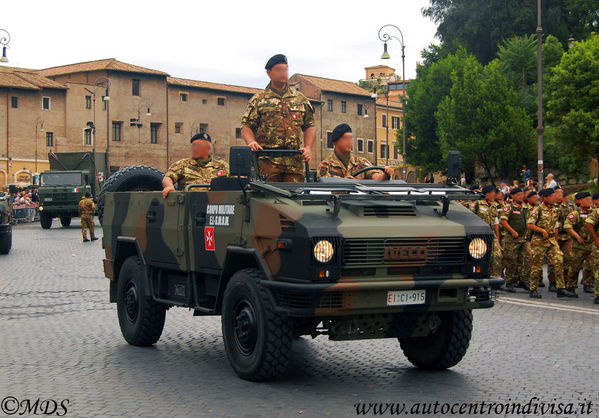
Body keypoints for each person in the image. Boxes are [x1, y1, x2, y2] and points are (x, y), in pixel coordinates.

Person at [241, 54, 315, 182]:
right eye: (279, 70)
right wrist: (251, 142)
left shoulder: (300, 99)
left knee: (295, 197)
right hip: (268, 160)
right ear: (269, 73)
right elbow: (246, 126)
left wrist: (308, 147)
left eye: (285, 69)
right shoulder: (259, 100)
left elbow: (309, 125)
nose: (283, 73)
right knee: (269, 198)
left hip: (294, 160)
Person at [526, 188, 576, 298]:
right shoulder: (537, 209)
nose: (554, 198)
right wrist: (542, 230)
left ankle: (560, 288)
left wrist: (556, 239)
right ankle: (533, 289)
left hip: (552, 241)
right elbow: (530, 225)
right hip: (539, 242)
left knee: (559, 261)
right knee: (537, 266)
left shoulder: (555, 210)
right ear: (544, 198)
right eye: (552, 196)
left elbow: (556, 225)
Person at [162, 133, 229, 198]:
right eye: (193, 146)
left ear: (208, 148)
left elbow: (236, 180)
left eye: (199, 146)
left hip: (216, 204)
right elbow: (168, 178)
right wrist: (169, 186)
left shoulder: (222, 166)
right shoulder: (183, 164)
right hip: (191, 204)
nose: (195, 149)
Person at [318, 123, 393, 180]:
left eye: (350, 138)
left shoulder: (360, 162)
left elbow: (375, 177)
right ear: (335, 142)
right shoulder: (326, 165)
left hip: (359, 199)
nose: (349, 142)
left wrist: (385, 174)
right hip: (336, 200)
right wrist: (343, 183)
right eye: (345, 138)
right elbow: (325, 185)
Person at [563, 192, 594, 296]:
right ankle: (571, 287)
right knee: (575, 267)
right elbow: (567, 226)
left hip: (591, 245)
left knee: (590, 266)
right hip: (579, 246)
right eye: (588, 200)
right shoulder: (575, 213)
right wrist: (577, 237)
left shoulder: (593, 212)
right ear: (581, 201)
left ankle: (587, 284)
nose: (590, 202)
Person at [499, 187, 529, 292]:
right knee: (511, 260)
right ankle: (510, 282)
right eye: (518, 195)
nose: (521, 196)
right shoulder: (509, 207)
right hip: (512, 238)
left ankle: (524, 280)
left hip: (524, 238)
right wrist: (512, 231)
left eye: (522, 194)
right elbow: (503, 221)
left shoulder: (526, 207)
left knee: (527, 258)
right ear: (512, 196)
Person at [470, 185, 502, 277]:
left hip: (492, 234)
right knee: (480, 257)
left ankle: (496, 278)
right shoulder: (477, 203)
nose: (495, 194)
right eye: (493, 192)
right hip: (479, 234)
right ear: (487, 194)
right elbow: (471, 217)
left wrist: (497, 236)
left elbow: (496, 221)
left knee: (497, 256)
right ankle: (480, 278)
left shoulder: (495, 205)